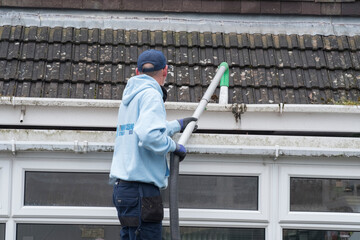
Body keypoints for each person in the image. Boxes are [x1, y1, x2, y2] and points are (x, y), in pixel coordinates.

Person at [109, 49, 197, 240]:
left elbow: (141, 129)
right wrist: (174, 147)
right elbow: (148, 135)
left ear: (137, 72)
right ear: (165, 71)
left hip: (124, 190)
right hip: (141, 191)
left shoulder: (130, 97)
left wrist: (174, 126)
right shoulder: (151, 95)